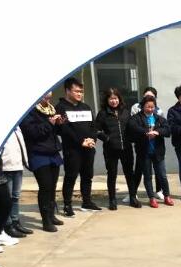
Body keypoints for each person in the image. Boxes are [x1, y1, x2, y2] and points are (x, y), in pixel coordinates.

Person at [20, 91, 65, 232]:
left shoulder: (50, 109)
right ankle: (46, 220)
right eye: (46, 96)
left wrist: (59, 123)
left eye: (50, 96)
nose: (48, 99)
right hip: (38, 153)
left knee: (52, 186)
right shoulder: (28, 111)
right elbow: (32, 132)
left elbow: (54, 131)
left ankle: (51, 215)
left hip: (52, 151)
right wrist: (49, 123)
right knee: (45, 186)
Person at [56, 77, 100, 215]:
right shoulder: (61, 108)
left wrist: (92, 139)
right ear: (67, 91)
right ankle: (67, 205)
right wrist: (81, 141)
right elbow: (65, 129)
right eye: (76, 91)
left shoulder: (85, 107)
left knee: (87, 176)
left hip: (88, 148)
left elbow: (93, 126)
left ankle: (87, 201)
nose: (80, 94)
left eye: (81, 91)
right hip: (72, 149)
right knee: (71, 176)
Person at [95, 88, 138, 209]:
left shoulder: (125, 112)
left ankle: (133, 197)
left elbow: (132, 127)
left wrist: (133, 137)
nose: (114, 101)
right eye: (111, 99)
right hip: (110, 149)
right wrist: (106, 138)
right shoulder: (103, 113)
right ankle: (112, 200)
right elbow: (96, 129)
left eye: (115, 98)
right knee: (112, 174)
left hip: (126, 148)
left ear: (119, 99)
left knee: (129, 173)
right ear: (107, 100)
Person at [127, 95, 173, 208]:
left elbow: (167, 130)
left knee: (162, 175)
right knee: (147, 176)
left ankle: (167, 195)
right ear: (143, 106)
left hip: (158, 152)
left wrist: (157, 132)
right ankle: (151, 198)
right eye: (148, 106)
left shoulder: (158, 118)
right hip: (144, 152)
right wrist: (146, 132)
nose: (150, 109)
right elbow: (132, 127)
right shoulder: (136, 118)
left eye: (152, 107)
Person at [129, 86, 164, 201]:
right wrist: (145, 132)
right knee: (139, 170)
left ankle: (159, 191)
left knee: (159, 170)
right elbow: (134, 124)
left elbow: (162, 125)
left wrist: (156, 132)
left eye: (151, 96)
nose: (148, 97)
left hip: (155, 144)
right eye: (146, 96)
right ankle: (133, 193)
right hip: (141, 144)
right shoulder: (136, 107)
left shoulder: (158, 111)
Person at [1, 126, 33, 238]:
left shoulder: (17, 127)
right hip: (5, 167)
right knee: (7, 199)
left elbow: (21, 146)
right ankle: (7, 225)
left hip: (18, 166)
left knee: (15, 196)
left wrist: (25, 162)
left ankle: (15, 222)